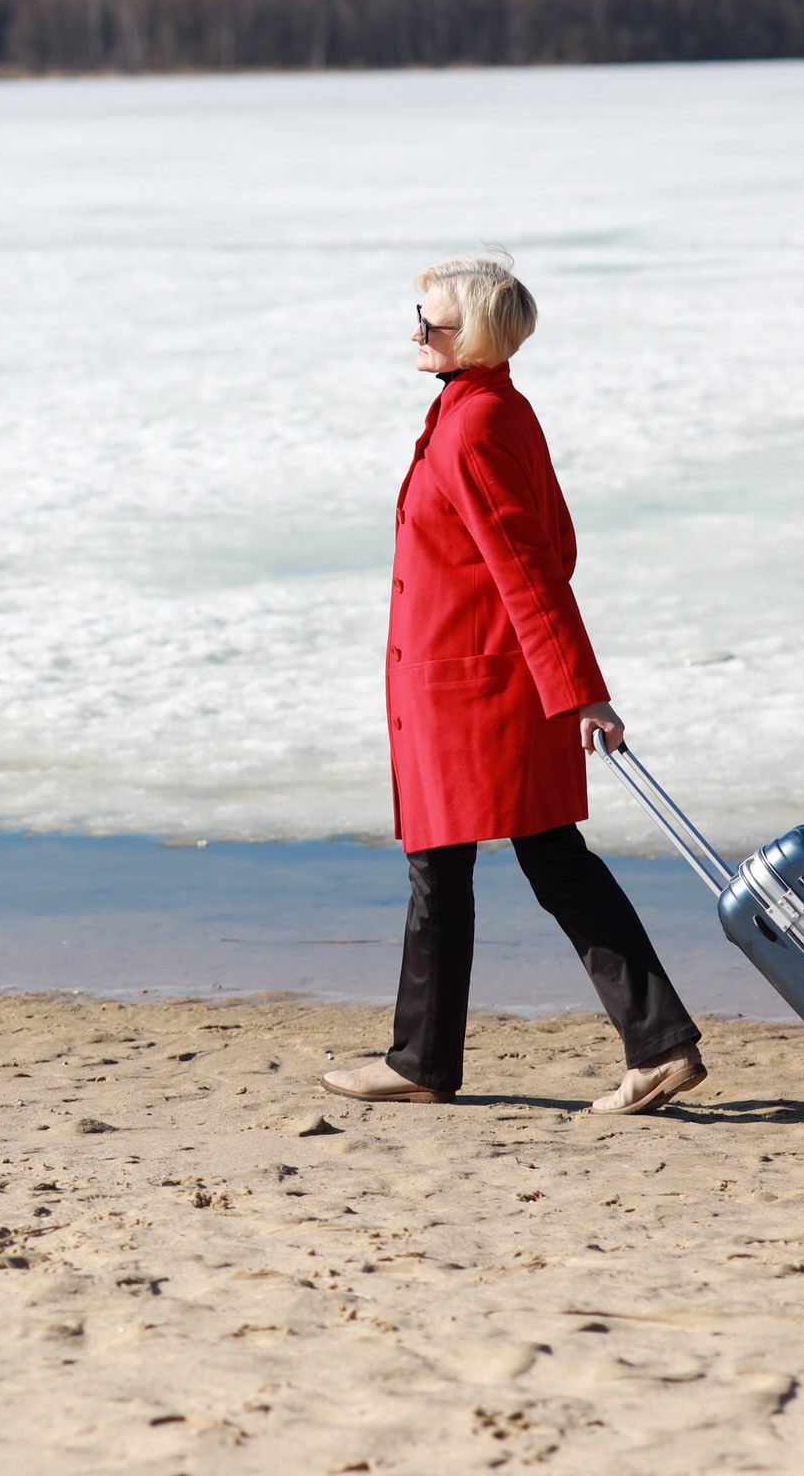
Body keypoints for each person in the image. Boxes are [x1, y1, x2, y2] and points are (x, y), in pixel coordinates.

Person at [320, 254, 705, 1114]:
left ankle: (435, 1061)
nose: (415, 333)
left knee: (469, 867)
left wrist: (579, 689)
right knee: (529, 862)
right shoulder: (488, 408)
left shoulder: (475, 424)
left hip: (477, 692)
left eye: (432, 322)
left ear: (478, 334)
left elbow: (535, 565)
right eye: (415, 316)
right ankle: (646, 1045)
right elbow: (555, 544)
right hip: (477, 679)